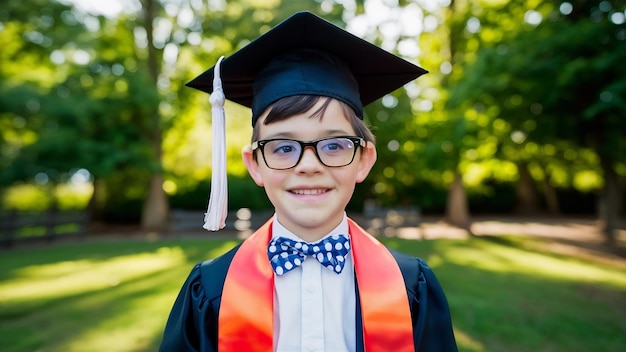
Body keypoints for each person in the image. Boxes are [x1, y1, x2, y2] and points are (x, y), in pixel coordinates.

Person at [159, 11, 457, 352]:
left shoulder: (411, 287)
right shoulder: (211, 289)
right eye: (283, 147)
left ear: (364, 161)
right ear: (255, 164)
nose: (309, 165)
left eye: (333, 145)